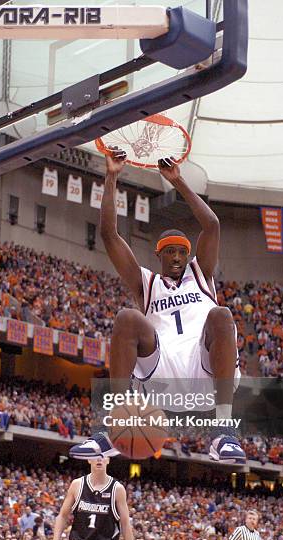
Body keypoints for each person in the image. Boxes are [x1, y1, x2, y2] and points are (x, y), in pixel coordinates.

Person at [71, 150, 244, 465]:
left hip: (204, 368)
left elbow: (212, 226)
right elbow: (109, 236)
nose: (177, 257)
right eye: (170, 252)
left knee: (221, 315)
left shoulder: (201, 274)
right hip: (161, 370)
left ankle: (223, 431)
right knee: (127, 317)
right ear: (159, 255)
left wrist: (178, 182)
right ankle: (114, 425)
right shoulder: (146, 283)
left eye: (182, 251)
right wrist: (111, 177)